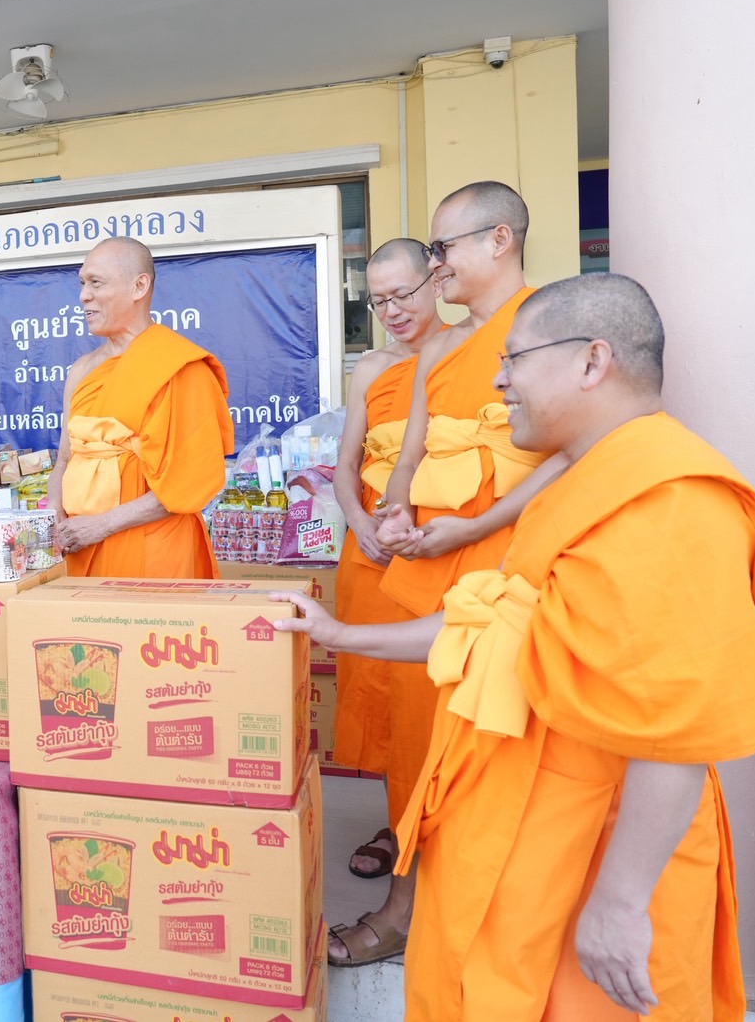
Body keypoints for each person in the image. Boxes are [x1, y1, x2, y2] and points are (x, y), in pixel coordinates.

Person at [275, 274, 755, 1021]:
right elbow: (496, 624)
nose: (498, 380)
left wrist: (620, 899)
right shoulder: (584, 482)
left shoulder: (672, 501)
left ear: (590, 361)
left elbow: (673, 732)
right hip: (515, 827)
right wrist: (341, 635)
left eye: (513, 359)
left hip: (592, 855)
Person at [326, 241, 442, 966]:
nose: (393, 312)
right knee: (384, 709)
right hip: (369, 555)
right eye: (378, 301)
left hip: (431, 552)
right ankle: (400, 827)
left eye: (404, 294)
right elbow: (345, 464)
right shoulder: (369, 367)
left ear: (439, 278)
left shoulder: (470, 354)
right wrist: (359, 521)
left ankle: (420, 845)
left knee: (426, 708)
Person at [377, 181, 565, 616]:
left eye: (441, 248)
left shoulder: (555, 324)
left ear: (499, 240)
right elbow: (410, 458)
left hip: (517, 549)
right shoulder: (439, 349)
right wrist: (400, 514)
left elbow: (574, 455)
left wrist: (475, 529)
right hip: (433, 545)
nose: (433, 264)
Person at [49, 237, 235, 576]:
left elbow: (189, 482)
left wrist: (102, 525)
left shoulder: (180, 366)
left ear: (139, 286)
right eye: (81, 284)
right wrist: (54, 511)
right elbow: (65, 458)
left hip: (154, 547)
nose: (83, 296)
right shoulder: (81, 370)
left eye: (96, 283)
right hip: (82, 547)